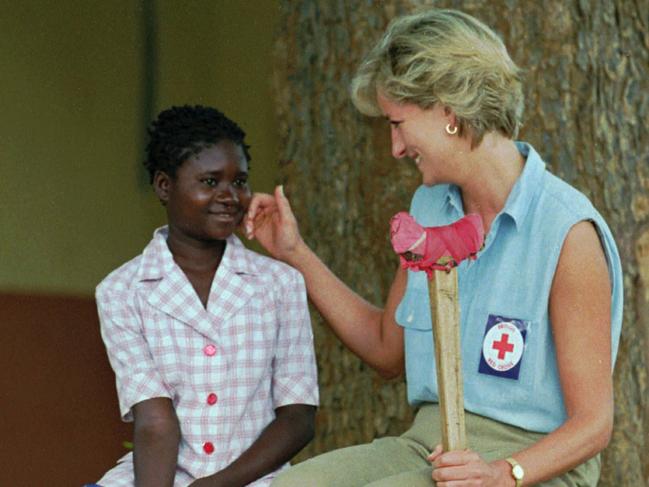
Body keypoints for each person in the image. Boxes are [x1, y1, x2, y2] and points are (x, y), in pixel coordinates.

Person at [245, 8, 623, 487]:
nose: (395, 148)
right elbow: (386, 350)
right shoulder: (430, 207)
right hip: (429, 443)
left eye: (398, 123)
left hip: (533, 463)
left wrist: (502, 473)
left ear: (449, 111)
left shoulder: (566, 232)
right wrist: (295, 252)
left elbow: (594, 425)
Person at [94, 105, 318, 487]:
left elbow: (298, 417)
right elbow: (155, 421)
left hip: (256, 479)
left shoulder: (280, 285)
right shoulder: (122, 291)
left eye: (240, 182)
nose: (230, 196)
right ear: (165, 186)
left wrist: (217, 485)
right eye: (211, 182)